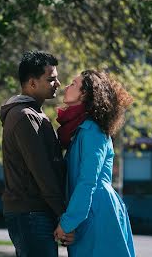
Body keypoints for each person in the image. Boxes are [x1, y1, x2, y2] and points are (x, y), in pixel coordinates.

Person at [54, 69, 135, 257]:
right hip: (87, 212)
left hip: (98, 212)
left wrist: (67, 222)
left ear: (85, 94)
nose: (66, 86)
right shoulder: (81, 131)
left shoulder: (92, 131)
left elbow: (88, 181)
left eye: (73, 83)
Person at [0, 50, 74, 257]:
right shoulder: (24, 116)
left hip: (35, 211)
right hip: (30, 213)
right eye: (51, 79)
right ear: (32, 83)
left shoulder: (34, 113)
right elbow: (42, 171)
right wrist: (63, 213)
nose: (58, 84)